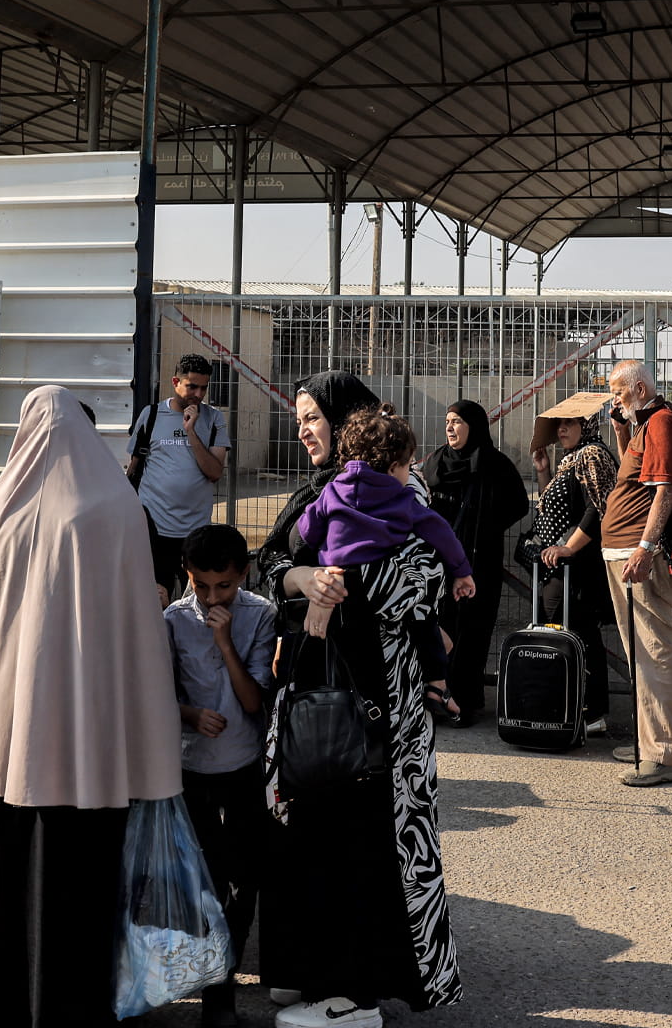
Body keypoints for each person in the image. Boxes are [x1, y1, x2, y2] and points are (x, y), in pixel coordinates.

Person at [0, 385, 182, 1028]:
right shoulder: (116, 505)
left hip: (12, 732)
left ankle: (8, 1001)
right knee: (83, 874)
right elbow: (137, 617)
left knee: (10, 871)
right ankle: (83, 1004)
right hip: (93, 737)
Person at [255, 369, 461, 1028]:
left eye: (313, 416)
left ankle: (356, 993)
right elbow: (268, 562)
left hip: (378, 700)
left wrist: (340, 581)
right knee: (311, 831)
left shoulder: (402, 484)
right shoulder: (320, 489)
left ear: (348, 421)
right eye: (298, 418)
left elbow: (423, 580)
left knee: (362, 839)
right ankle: (310, 971)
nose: (303, 428)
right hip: (320, 695)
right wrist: (304, 577)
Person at [538, 360, 672, 788]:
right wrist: (623, 432)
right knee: (639, 653)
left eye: (618, 390)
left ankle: (661, 755)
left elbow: (666, 489)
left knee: (652, 650)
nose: (614, 398)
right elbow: (637, 476)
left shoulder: (661, 422)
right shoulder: (645, 425)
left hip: (638, 556)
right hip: (623, 552)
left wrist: (644, 547)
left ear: (639, 388)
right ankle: (650, 745)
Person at [166, 523, 278, 1027]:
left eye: (224, 586)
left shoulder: (260, 615)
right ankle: (217, 989)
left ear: (243, 575)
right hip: (192, 768)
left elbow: (254, 700)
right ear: (188, 577)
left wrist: (226, 641)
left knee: (244, 876)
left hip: (243, 766)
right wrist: (190, 715)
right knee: (205, 877)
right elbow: (160, 695)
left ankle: (226, 968)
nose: (212, 596)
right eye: (201, 585)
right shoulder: (171, 621)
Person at [296, 406, 477, 647]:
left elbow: (307, 528)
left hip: (335, 579)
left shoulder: (332, 490)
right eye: (407, 466)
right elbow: (440, 531)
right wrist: (462, 571)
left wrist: (323, 541)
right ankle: (436, 679)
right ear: (393, 468)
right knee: (428, 630)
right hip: (382, 583)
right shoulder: (401, 498)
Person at [421, 399, 529, 725]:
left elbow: (519, 505)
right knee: (441, 628)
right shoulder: (436, 462)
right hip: (439, 567)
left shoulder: (495, 464)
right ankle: (437, 698)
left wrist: (485, 528)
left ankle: (465, 702)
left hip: (480, 565)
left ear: (474, 426)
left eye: (457, 422)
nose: (450, 428)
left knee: (473, 633)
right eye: (447, 421)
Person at [531, 409, 618, 735]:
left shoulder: (592, 455)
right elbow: (557, 507)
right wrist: (544, 472)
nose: (562, 428)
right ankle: (570, 704)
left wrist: (570, 547)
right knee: (566, 629)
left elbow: (599, 507)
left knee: (577, 631)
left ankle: (592, 711)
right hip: (562, 564)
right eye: (559, 423)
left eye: (570, 423)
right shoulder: (573, 458)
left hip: (578, 566)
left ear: (587, 425)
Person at [129, 353, 231, 597]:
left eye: (203, 388)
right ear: (176, 382)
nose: (198, 394)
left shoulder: (213, 418)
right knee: (155, 598)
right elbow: (134, 465)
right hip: (154, 530)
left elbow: (214, 472)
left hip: (195, 532)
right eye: (192, 386)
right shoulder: (151, 415)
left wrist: (191, 432)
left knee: (196, 601)